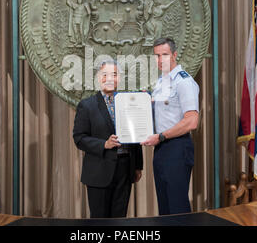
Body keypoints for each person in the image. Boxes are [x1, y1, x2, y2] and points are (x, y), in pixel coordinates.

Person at [73, 60, 143, 218]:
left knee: (120, 218)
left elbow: (135, 134)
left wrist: (138, 165)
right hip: (99, 170)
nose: (110, 78)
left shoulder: (129, 102)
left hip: (125, 169)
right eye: (105, 74)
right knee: (99, 220)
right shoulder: (87, 105)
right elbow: (79, 138)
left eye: (114, 74)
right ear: (98, 77)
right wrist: (104, 144)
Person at [141, 37, 199, 215]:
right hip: (161, 148)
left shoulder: (184, 82)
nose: (160, 60)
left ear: (174, 55)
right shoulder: (161, 82)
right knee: (165, 208)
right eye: (157, 56)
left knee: (177, 207)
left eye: (164, 55)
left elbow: (192, 121)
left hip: (177, 148)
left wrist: (162, 136)